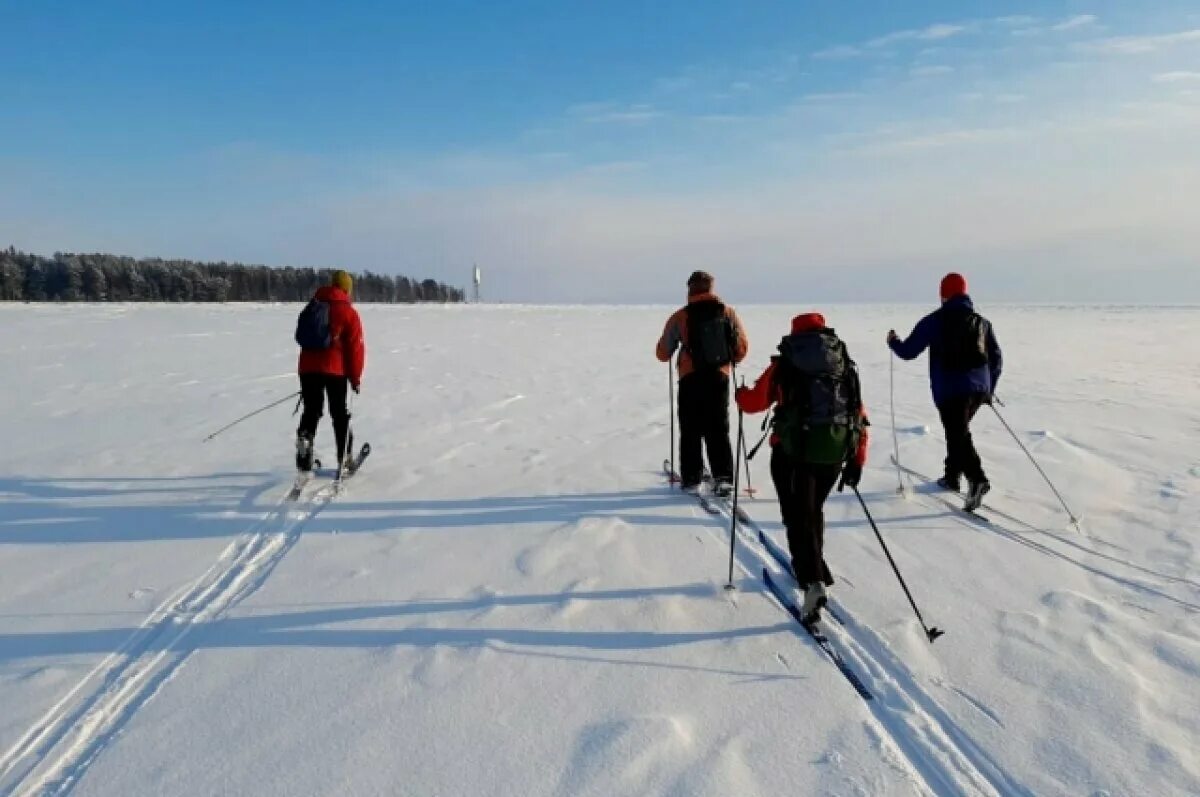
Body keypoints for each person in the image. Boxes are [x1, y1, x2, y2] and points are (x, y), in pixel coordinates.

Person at [735, 313, 869, 621]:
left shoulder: (786, 363)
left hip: (792, 452)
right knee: (811, 510)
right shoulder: (843, 365)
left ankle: (812, 581)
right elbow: (859, 413)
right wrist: (857, 458)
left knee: (797, 515)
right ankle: (815, 568)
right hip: (835, 452)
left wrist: (740, 395)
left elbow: (755, 402)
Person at [887, 272, 1002, 510]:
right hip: (979, 389)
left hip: (951, 389)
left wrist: (893, 342)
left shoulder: (935, 321)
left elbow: (908, 351)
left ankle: (977, 479)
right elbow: (997, 358)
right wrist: (989, 387)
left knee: (958, 434)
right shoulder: (982, 323)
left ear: (944, 294)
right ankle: (951, 476)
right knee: (957, 431)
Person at [656, 271, 749, 496]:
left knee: (690, 428)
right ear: (711, 288)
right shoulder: (727, 313)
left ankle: (691, 476)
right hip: (719, 377)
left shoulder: (680, 316)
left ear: (690, 289)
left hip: (690, 377)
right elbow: (741, 349)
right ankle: (724, 477)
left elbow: (662, 353)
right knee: (718, 427)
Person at [294, 270, 365, 473]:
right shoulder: (348, 312)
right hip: (335, 370)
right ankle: (345, 457)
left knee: (311, 410)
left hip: (307, 369)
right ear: (346, 289)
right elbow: (355, 348)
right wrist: (355, 377)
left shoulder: (313, 305)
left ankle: (304, 446)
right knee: (339, 413)